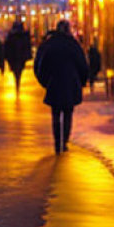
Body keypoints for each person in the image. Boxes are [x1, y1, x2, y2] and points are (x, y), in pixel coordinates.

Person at [34, 19, 89, 153]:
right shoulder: (74, 45)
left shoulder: (49, 44)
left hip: (54, 83)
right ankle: (64, 141)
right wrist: (81, 82)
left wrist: (45, 82)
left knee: (56, 114)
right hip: (71, 84)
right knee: (68, 113)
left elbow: (40, 65)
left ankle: (57, 141)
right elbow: (83, 65)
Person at [3, 20, 32, 95]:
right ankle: (17, 83)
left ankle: (17, 83)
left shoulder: (11, 36)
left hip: (13, 57)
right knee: (19, 71)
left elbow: (7, 47)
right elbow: (27, 46)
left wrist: (6, 57)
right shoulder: (23, 36)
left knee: (16, 72)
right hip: (20, 57)